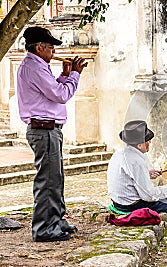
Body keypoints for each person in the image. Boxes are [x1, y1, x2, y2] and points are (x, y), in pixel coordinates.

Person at [17, 26, 88, 242]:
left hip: (48, 129)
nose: (53, 52)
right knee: (48, 180)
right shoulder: (35, 68)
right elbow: (60, 95)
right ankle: (44, 228)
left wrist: (64, 76)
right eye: (50, 48)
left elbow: (49, 92)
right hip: (44, 130)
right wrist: (75, 75)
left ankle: (56, 221)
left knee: (55, 179)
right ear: (39, 48)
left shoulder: (38, 66)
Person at [107, 120, 167, 227]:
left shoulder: (120, 153)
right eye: (148, 140)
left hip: (117, 202)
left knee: (162, 196)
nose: (150, 143)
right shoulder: (136, 161)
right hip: (129, 205)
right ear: (139, 145)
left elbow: (129, 176)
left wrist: (147, 174)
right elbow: (148, 195)